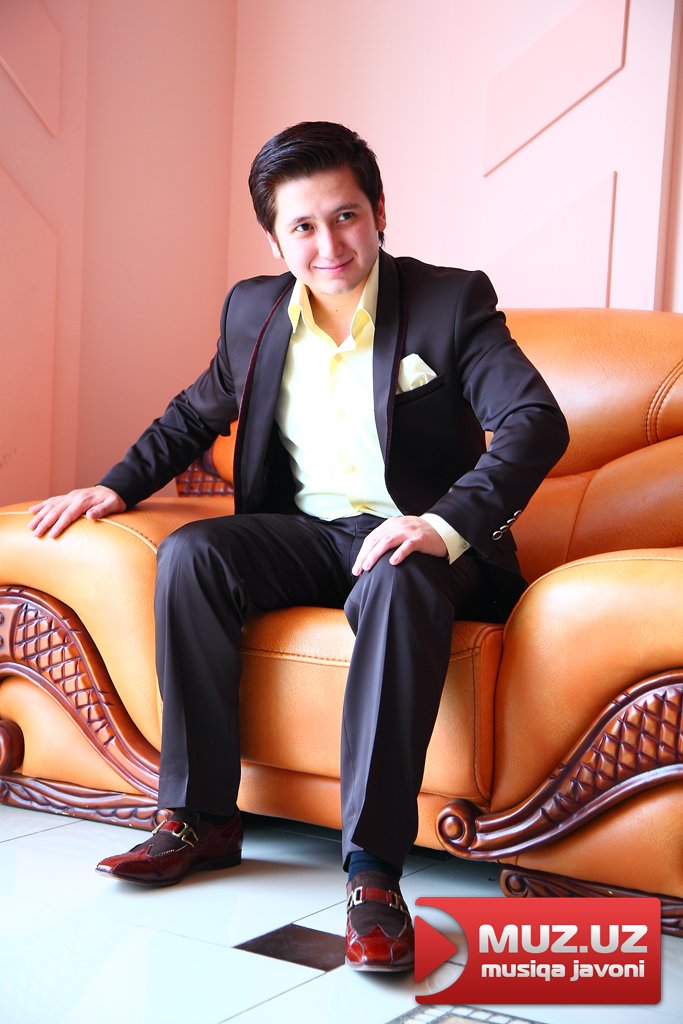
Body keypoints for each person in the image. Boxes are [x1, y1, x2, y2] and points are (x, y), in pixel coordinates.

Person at [28, 121, 569, 972]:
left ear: (379, 210)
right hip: (310, 534)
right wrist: (115, 486)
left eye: (345, 216)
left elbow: (535, 421)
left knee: (397, 577)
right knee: (193, 554)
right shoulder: (253, 310)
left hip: (426, 544)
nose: (330, 245)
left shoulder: (449, 301)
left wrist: (439, 524)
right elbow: (194, 412)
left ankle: (372, 872)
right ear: (275, 240)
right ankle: (200, 820)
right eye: (303, 227)